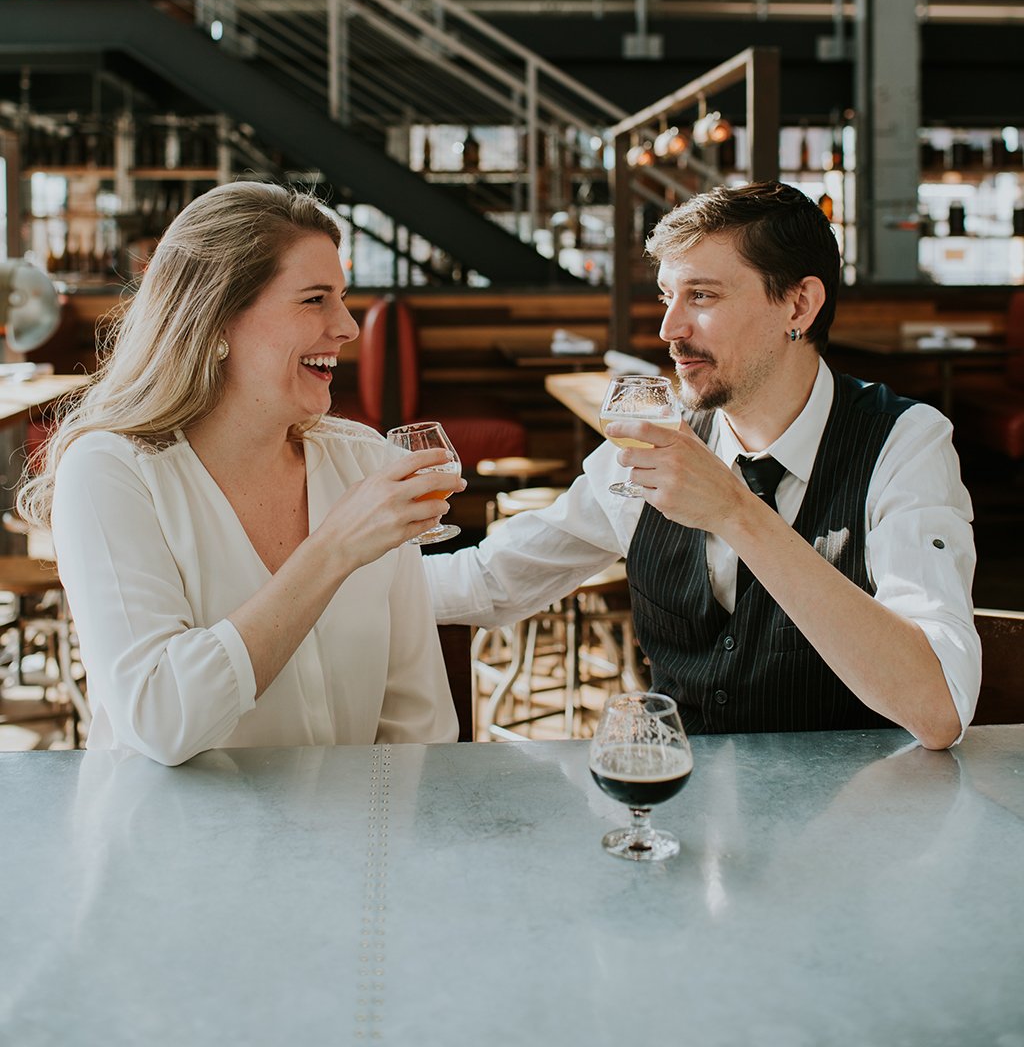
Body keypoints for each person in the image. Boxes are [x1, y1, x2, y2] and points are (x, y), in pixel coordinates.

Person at [426, 182, 981, 750]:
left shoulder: (904, 442)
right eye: (668, 295)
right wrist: (336, 568)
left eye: (703, 296)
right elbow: (492, 580)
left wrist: (736, 512)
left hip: (856, 818)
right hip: (679, 812)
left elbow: (937, 708)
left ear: (798, 305)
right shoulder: (659, 442)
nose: (670, 329)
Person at [17, 181, 464, 764]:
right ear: (218, 319)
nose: (348, 327)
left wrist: (381, 847)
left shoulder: (365, 462)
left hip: (355, 843)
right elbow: (161, 719)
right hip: (178, 846)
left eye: (343, 297)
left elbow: (418, 721)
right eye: (314, 299)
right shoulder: (109, 472)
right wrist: (333, 550)